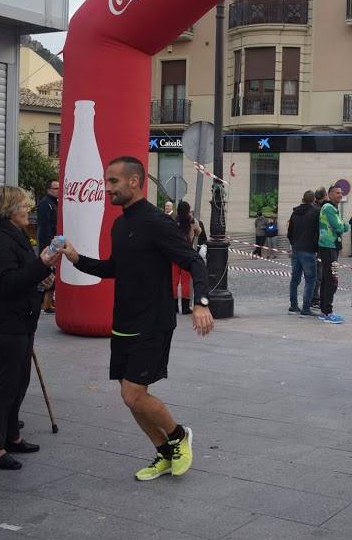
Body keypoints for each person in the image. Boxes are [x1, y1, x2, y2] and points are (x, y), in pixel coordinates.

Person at [61, 156, 214, 481]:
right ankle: (163, 453)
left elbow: (194, 262)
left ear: (134, 181)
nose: (107, 187)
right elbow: (113, 268)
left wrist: (200, 302)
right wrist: (76, 259)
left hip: (153, 322)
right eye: (106, 181)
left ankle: (178, 437)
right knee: (131, 399)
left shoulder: (157, 222)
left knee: (134, 394)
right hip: (124, 322)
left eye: (113, 181)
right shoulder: (120, 224)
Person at [0, 186, 60, 470]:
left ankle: (11, 436)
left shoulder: (15, 236)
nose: (29, 210)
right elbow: (7, 283)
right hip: (5, 325)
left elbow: (25, 276)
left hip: (20, 322)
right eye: (24, 206)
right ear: (10, 210)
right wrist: (42, 265)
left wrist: (42, 278)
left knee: (19, 381)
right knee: (6, 385)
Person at [318, 185, 349, 324]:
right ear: (329, 195)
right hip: (329, 247)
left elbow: (342, 225)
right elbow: (340, 226)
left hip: (331, 247)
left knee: (327, 278)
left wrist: (342, 225)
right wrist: (343, 225)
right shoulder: (329, 208)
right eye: (337, 193)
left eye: (341, 192)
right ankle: (328, 312)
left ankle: (324, 310)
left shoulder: (332, 208)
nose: (340, 195)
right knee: (332, 279)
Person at [287, 190, 319, 317]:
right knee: (310, 280)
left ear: (302, 199)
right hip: (309, 250)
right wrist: (316, 247)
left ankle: (293, 306)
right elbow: (318, 232)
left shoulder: (294, 213)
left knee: (295, 279)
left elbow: (289, 232)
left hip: (296, 249)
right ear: (313, 200)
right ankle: (306, 309)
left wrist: (294, 244)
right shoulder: (315, 212)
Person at [173, 201, 201, 315]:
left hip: (174, 255)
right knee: (185, 282)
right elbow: (199, 232)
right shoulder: (193, 221)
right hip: (187, 255)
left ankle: (173, 307)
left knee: (173, 281)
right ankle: (185, 308)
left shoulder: (174, 221)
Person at [36, 179, 59, 314]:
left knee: (53, 272)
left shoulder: (54, 203)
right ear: (49, 190)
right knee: (48, 272)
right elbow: (44, 227)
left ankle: (48, 302)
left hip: (55, 241)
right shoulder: (46, 204)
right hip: (49, 243)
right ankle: (45, 303)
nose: (58, 191)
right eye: (56, 188)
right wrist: (48, 246)